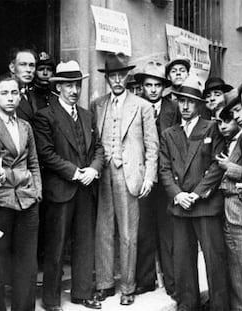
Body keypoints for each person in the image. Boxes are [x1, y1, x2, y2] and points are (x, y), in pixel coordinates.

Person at [34, 60, 104, 311]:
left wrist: (94, 169)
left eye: (77, 85)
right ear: (58, 88)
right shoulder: (46, 116)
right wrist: (75, 172)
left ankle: (82, 293)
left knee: (85, 242)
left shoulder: (87, 115)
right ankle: (51, 300)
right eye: (69, 85)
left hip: (86, 189)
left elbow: (98, 148)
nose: (74, 90)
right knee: (56, 245)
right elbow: (46, 154)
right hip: (61, 189)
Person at [92, 53, 159, 306]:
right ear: (107, 79)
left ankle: (128, 287)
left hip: (130, 174)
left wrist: (149, 178)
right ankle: (105, 284)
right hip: (104, 174)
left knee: (129, 233)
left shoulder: (142, 106)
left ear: (128, 77)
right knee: (104, 231)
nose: (117, 80)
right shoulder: (98, 104)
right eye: (113, 76)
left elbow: (153, 147)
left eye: (121, 75)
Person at [159, 75, 229, 310]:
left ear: (199, 103)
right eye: (181, 101)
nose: (186, 106)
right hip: (180, 205)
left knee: (214, 260)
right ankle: (187, 305)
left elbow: (217, 165)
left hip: (205, 205)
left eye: (190, 101)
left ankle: (220, 306)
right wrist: (178, 194)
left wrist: (197, 194)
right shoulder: (169, 133)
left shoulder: (212, 127)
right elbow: (164, 168)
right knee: (183, 261)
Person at [0, 74, 42, 311]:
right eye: (5, 93)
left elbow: (34, 163)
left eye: (15, 93)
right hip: (1, 201)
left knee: (27, 263)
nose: (10, 98)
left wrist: (36, 191)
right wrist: (15, 176)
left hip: (27, 201)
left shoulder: (26, 127)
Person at [133, 60, 179, 297]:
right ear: (141, 86)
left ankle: (172, 282)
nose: (152, 89)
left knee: (168, 230)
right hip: (144, 178)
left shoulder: (174, 108)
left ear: (164, 87)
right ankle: (145, 279)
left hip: (169, 178)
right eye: (148, 85)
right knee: (144, 229)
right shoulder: (135, 107)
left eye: (157, 85)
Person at [214, 95, 242, 311]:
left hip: (240, 211)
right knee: (236, 269)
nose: (241, 115)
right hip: (229, 209)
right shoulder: (234, 139)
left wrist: (227, 167)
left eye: (239, 112)